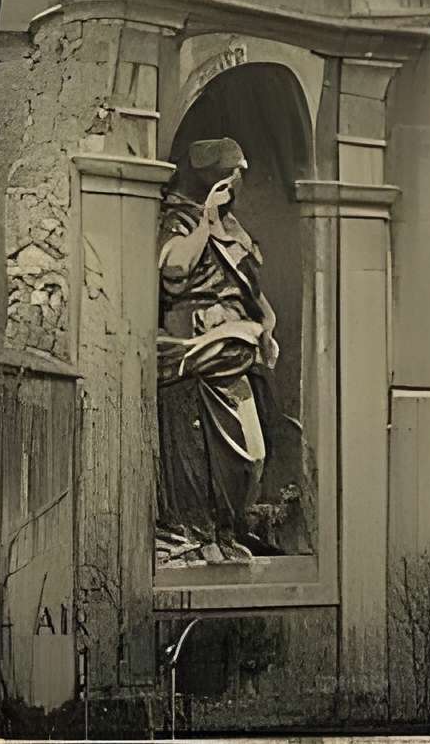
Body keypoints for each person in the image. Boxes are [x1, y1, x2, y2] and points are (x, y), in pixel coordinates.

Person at [156, 137, 279, 565]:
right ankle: (203, 536)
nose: (241, 180)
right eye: (235, 171)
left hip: (235, 356)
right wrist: (205, 222)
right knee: (198, 460)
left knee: (254, 456)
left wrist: (266, 329)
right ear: (216, 178)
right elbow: (173, 270)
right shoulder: (181, 219)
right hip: (197, 354)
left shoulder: (235, 229)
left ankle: (227, 531)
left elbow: (252, 292)